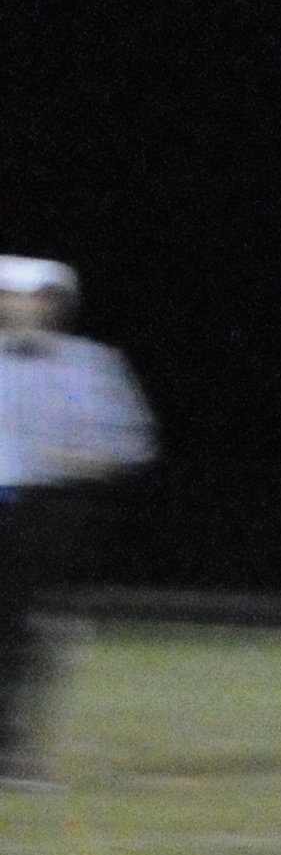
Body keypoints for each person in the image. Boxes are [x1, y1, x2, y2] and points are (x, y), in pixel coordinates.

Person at [0, 257, 157, 788]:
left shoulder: (90, 364)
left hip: (48, 511)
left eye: (38, 296)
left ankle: (15, 754)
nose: (24, 306)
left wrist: (73, 459)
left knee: (35, 635)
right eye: (13, 295)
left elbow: (129, 443)